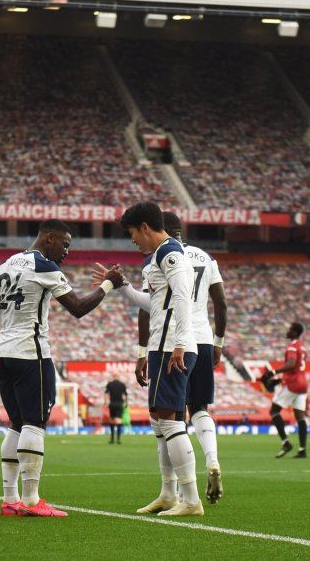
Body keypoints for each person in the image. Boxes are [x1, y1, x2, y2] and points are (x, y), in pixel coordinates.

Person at [0, 219, 122, 518]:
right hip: (31, 354)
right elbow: (78, 308)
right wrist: (109, 284)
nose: (67, 251)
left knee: (16, 423)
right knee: (33, 423)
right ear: (49, 238)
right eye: (65, 244)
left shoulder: (7, 263)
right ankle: (31, 500)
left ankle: (10, 499)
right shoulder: (45, 266)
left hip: (4, 354)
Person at [94, 201, 202, 517]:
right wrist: (121, 285)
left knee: (169, 420)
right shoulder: (156, 258)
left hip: (172, 348)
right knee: (159, 421)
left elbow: (183, 296)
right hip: (161, 347)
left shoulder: (170, 252)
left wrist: (180, 344)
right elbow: (152, 302)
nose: (132, 241)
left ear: (144, 227)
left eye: (132, 234)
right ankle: (169, 494)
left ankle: (191, 500)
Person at [137, 211, 227, 503]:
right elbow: (221, 304)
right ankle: (211, 459)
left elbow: (147, 307)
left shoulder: (159, 258)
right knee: (199, 407)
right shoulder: (205, 257)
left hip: (175, 340)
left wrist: (141, 351)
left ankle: (177, 492)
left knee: (169, 417)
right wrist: (219, 343)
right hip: (201, 339)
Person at [264, 323, 310, 459]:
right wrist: (280, 379)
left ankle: (286, 442)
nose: (287, 331)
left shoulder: (292, 346)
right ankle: (302, 449)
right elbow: (296, 367)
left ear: (295, 333)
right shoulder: (303, 347)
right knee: (300, 417)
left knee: (273, 411)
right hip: (303, 384)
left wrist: (273, 372)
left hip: (293, 384)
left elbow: (291, 364)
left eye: (290, 329)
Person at [105, 377, 128, 444]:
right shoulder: (122, 384)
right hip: (119, 404)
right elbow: (125, 394)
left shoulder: (110, 384)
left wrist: (105, 402)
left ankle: (112, 439)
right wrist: (126, 403)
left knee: (112, 420)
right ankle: (118, 439)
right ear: (118, 377)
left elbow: (106, 393)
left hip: (112, 404)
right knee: (118, 421)